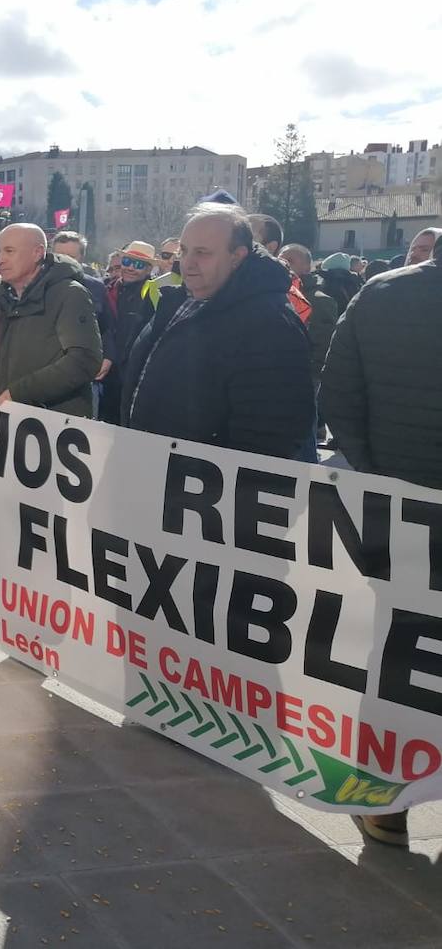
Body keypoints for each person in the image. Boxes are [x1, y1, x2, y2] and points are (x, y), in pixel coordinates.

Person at [320, 236, 442, 848]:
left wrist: (379, 474)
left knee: (397, 654)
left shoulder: (382, 294)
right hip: (402, 501)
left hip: (398, 511)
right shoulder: (382, 292)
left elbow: (337, 396)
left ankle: (382, 802)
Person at [123, 203, 315, 459]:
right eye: (184, 250)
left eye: (202, 253)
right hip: (148, 473)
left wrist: (197, 485)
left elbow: (269, 439)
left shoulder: (270, 323)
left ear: (237, 256)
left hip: (196, 490)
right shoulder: (180, 299)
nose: (186, 263)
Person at [0, 224, 102, 416]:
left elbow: (84, 360)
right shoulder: (6, 296)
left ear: (37, 253)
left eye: (9, 251)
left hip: (54, 422)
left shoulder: (69, 293)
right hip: (16, 416)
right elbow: (8, 355)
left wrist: (21, 392)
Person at [51, 230, 116, 417]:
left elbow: (107, 327)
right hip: (45, 372)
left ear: (81, 258)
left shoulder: (95, 287)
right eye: (58, 256)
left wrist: (108, 357)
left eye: (70, 257)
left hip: (84, 377)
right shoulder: (35, 286)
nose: (63, 261)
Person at [97, 240, 157, 423]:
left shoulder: (154, 293)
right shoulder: (105, 288)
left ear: (148, 270)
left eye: (138, 264)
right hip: (103, 373)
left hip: (132, 375)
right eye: (127, 262)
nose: (131, 268)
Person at [279, 243, 339, 386]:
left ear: (307, 268)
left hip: (304, 378)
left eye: (291, 261)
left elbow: (323, 346)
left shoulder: (320, 301)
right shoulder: (274, 295)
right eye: (280, 259)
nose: (284, 264)